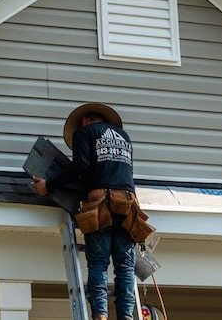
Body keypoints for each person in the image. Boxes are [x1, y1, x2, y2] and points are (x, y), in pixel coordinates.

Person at [32, 103, 151, 320]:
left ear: (85, 120)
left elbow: (81, 167)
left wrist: (49, 185)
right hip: (128, 206)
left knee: (98, 263)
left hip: (101, 204)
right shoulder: (124, 138)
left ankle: (101, 316)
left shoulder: (83, 133)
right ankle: (126, 316)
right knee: (125, 266)